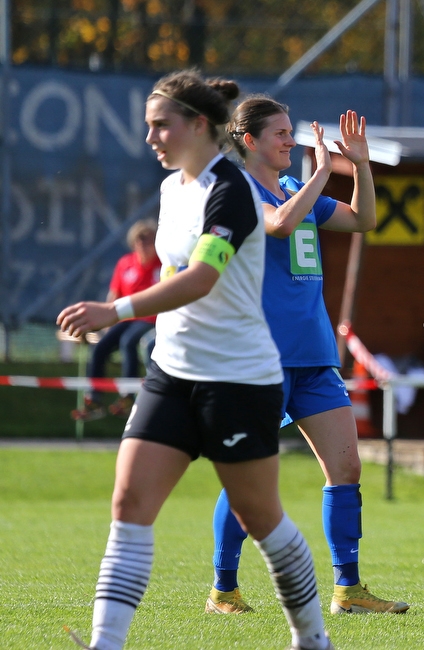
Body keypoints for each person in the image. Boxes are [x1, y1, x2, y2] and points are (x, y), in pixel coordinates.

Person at [59, 71, 335, 650]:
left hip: (238, 375)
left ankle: (312, 638)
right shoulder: (170, 189)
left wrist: (116, 310)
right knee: (129, 503)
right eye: (148, 126)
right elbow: (173, 273)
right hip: (172, 370)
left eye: (161, 125)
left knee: (262, 519)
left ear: (199, 126)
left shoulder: (232, 189)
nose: (151, 137)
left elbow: (203, 278)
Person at [203, 95, 408, 616]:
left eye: (292, 131)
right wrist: (322, 173)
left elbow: (364, 220)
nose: (291, 141)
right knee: (248, 476)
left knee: (347, 469)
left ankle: (349, 590)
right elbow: (279, 225)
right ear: (249, 140)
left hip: (315, 358)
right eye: (280, 134)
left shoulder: (298, 187)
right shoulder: (238, 189)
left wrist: (358, 164)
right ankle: (223, 589)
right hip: (259, 359)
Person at [71, 219, 161, 422]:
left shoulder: (163, 265)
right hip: (125, 317)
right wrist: (104, 323)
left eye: (149, 240)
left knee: (129, 341)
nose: (144, 244)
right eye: (140, 240)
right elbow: (114, 295)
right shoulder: (125, 263)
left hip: (149, 317)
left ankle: (127, 396)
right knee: (101, 346)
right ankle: (94, 399)